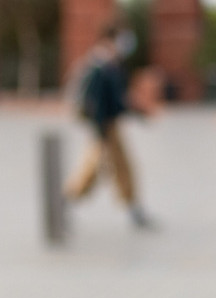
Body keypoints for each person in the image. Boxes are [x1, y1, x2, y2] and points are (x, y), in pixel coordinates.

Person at [65, 23, 155, 230]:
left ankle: (133, 209)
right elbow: (97, 102)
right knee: (95, 169)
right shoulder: (100, 66)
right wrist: (100, 131)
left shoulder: (110, 65)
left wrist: (137, 111)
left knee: (115, 167)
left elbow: (117, 100)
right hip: (104, 127)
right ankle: (65, 202)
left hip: (109, 126)